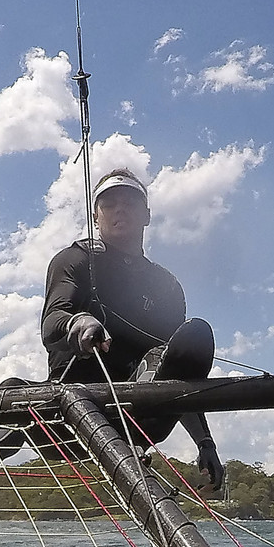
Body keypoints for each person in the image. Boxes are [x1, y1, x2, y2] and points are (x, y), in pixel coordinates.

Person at [40, 168, 224, 491]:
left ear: (147, 215)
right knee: (11, 387)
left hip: (142, 416)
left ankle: (133, 434)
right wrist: (78, 322)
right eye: (109, 203)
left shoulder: (166, 287)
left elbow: (180, 369)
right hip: (73, 415)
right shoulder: (75, 260)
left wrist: (205, 441)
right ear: (96, 216)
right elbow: (52, 323)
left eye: (129, 201)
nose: (119, 209)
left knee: (196, 335)